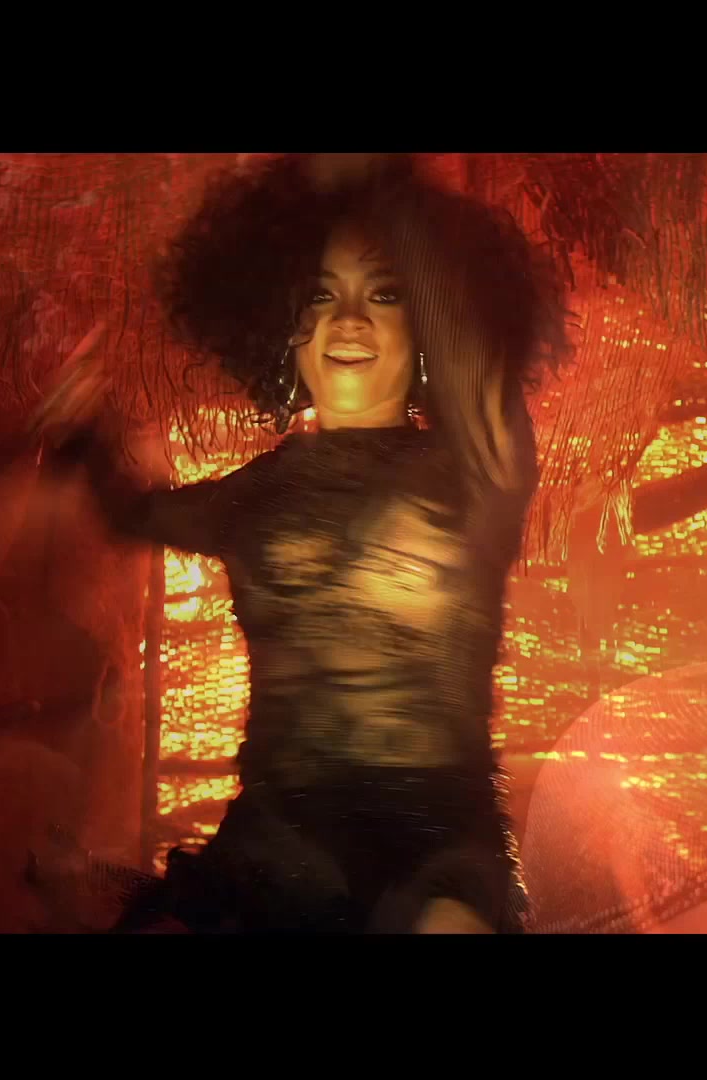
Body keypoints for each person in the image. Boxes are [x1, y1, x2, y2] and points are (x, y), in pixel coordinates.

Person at [36, 154, 570, 933]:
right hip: (274, 849)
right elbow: (133, 514)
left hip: (433, 848)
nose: (349, 320)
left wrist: (382, 186)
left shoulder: (478, 474)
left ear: (428, 331)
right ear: (287, 332)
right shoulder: (256, 494)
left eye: (384, 294)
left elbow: (475, 360)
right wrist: (82, 438)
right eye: (322, 295)